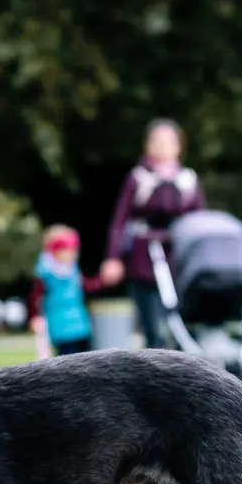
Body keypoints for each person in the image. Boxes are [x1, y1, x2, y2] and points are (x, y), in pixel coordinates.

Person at [101, 119, 206, 348]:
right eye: (157, 141)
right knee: (152, 327)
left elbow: (200, 223)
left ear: (179, 146)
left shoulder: (188, 180)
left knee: (183, 325)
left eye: (169, 141)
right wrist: (113, 257)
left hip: (179, 260)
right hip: (144, 260)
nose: (163, 146)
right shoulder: (138, 178)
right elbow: (120, 220)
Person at [30, 225, 104, 358]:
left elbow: (86, 285)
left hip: (79, 323)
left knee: (86, 356)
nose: (71, 255)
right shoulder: (46, 273)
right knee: (67, 358)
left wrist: (102, 280)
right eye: (67, 251)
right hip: (59, 325)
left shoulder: (73, 270)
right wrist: (35, 317)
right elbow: (36, 297)